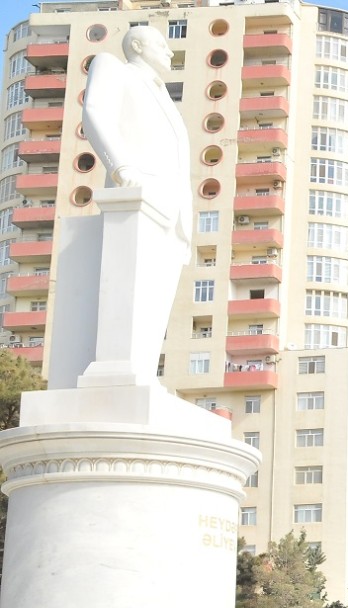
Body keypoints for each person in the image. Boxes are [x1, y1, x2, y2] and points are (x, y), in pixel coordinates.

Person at [81, 25, 193, 383]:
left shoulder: (164, 97)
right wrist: (121, 166)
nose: (171, 52)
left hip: (171, 209)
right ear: (139, 45)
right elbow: (95, 112)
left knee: (154, 306)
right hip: (136, 193)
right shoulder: (113, 66)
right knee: (126, 295)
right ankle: (118, 374)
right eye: (163, 44)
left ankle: (143, 376)